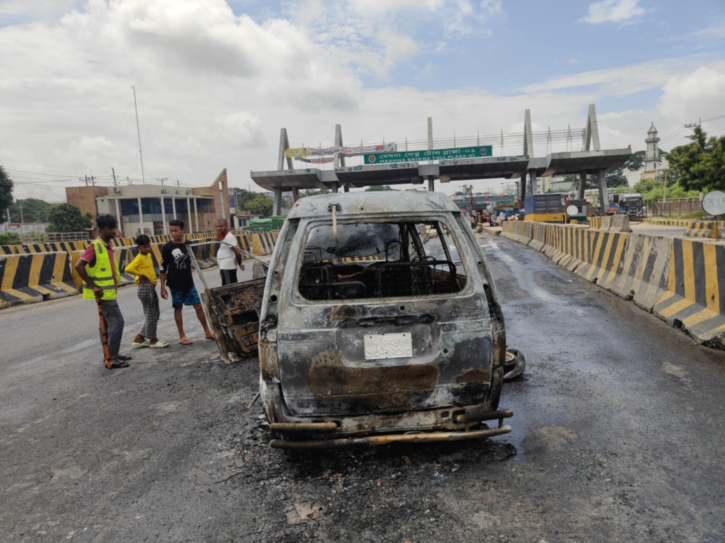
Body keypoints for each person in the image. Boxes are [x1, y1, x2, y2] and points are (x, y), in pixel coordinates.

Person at [75, 214, 131, 369]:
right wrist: (93, 286)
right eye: (111, 228)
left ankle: (109, 353)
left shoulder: (107, 246)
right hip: (104, 294)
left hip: (109, 293)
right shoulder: (95, 246)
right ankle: (112, 358)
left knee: (106, 325)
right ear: (103, 229)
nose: (114, 231)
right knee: (117, 322)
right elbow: (79, 266)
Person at [159, 219, 214, 345]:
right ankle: (182, 335)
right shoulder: (167, 247)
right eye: (171, 231)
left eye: (176, 230)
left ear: (182, 231)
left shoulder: (189, 245)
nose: (173, 233)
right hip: (174, 283)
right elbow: (163, 268)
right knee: (178, 307)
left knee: (198, 306)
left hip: (188, 282)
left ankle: (207, 331)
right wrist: (162, 287)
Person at [125, 234, 169, 349]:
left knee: (154, 313)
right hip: (145, 287)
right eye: (145, 247)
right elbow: (128, 268)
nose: (148, 249)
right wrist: (141, 274)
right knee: (151, 314)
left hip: (150, 287)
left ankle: (139, 337)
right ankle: (153, 340)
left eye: (149, 246)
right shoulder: (139, 257)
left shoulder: (148, 255)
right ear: (138, 247)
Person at [215, 218, 245, 285]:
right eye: (217, 226)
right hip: (225, 267)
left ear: (226, 227)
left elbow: (237, 252)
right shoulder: (224, 237)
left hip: (227, 268)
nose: (218, 228)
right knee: (228, 287)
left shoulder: (229, 237)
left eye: (221, 226)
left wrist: (240, 264)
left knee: (228, 289)